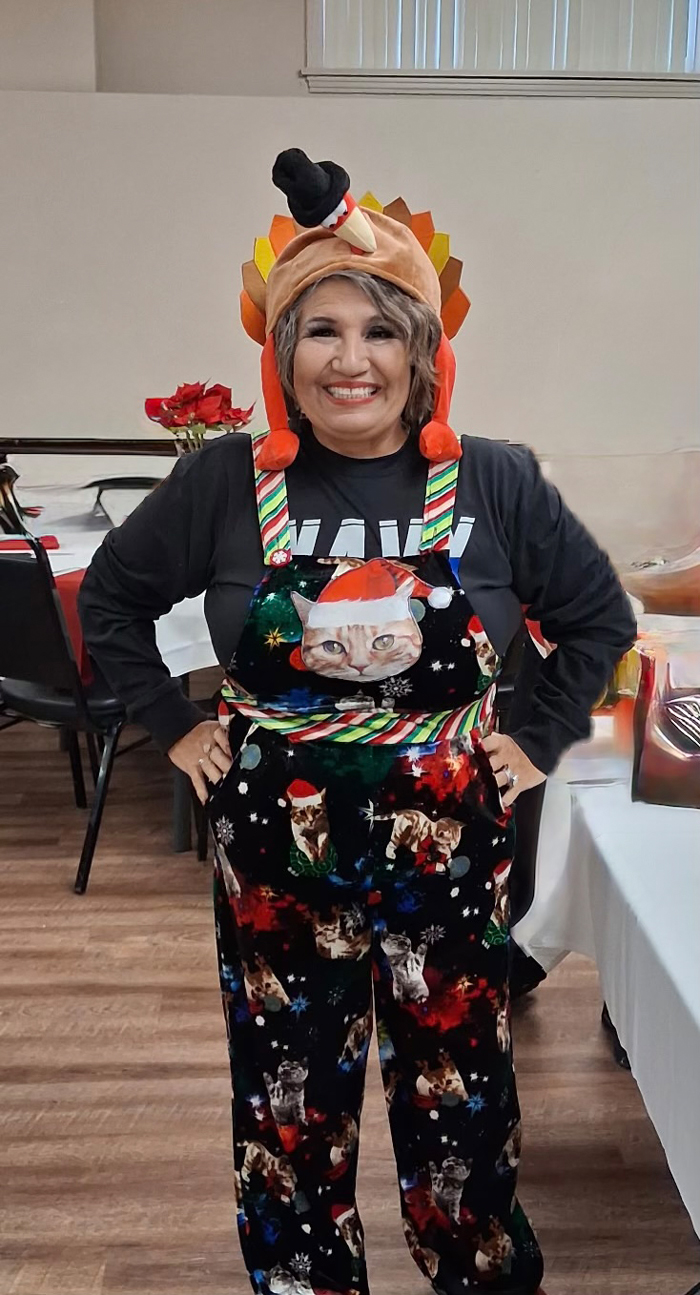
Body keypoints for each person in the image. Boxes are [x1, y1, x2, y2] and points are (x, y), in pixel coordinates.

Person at [79, 149, 636, 1295]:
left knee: (460, 1088)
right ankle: (304, 1280)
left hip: (449, 849)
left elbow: (594, 617)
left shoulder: (494, 480)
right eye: (320, 330)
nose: (350, 359)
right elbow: (113, 600)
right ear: (283, 352)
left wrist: (533, 739)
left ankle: (476, 1268)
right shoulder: (225, 482)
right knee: (288, 1097)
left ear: (422, 351)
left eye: (380, 330)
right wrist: (169, 724)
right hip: (273, 856)